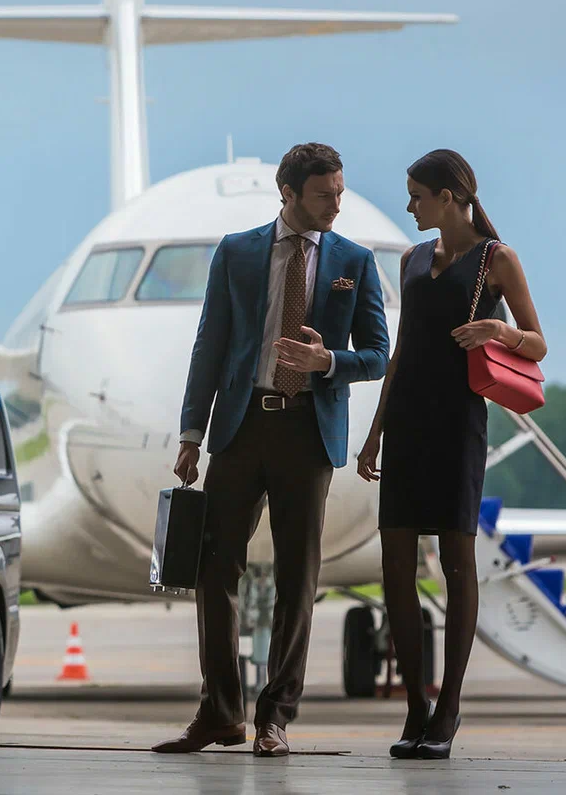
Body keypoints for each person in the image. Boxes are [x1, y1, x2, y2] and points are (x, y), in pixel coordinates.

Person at [155, 143, 389, 756]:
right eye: (323, 194)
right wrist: (190, 434)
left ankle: (275, 718)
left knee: (297, 577)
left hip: (307, 432)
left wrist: (326, 361)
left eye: (340, 191)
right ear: (288, 193)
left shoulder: (354, 261)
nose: (336, 204)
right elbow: (210, 346)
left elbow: (379, 355)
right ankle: (221, 712)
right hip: (240, 426)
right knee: (213, 570)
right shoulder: (237, 252)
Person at [356, 149, 548, 760]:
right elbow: (404, 350)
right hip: (408, 420)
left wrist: (498, 332)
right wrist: (375, 432)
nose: (409, 205)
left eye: (416, 194)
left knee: (457, 565)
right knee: (395, 572)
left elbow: (538, 342)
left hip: (459, 422)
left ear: (448, 196)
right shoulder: (412, 259)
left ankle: (449, 707)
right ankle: (415, 705)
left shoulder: (498, 259)